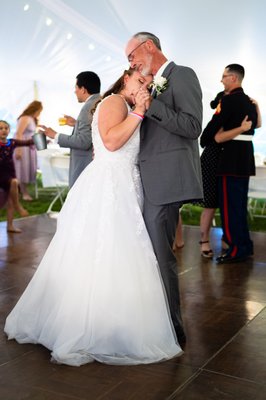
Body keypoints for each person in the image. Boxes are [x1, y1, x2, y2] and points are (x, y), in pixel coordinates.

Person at [4, 68, 183, 366]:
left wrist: (140, 110)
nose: (144, 88)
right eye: (140, 81)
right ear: (126, 78)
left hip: (125, 182)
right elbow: (112, 142)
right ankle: (86, 326)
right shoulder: (114, 101)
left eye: (149, 85)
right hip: (109, 186)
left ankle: (112, 321)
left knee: (120, 255)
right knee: (102, 250)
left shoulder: (125, 105)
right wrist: (139, 111)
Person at [125, 32, 203, 343]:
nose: (131, 63)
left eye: (132, 56)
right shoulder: (150, 83)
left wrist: (151, 103)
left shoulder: (181, 74)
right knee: (148, 254)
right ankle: (153, 321)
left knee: (159, 255)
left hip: (167, 181)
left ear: (149, 46)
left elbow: (192, 126)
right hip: (148, 179)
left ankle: (172, 329)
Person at [199, 64, 259, 264]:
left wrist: (205, 139)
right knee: (239, 207)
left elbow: (213, 130)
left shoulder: (229, 101)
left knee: (229, 208)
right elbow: (257, 124)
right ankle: (244, 245)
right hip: (244, 160)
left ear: (233, 78)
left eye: (224, 76)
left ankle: (236, 249)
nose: (221, 80)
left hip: (230, 159)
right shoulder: (250, 102)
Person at [40, 71, 101, 188]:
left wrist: (55, 135)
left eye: (76, 87)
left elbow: (83, 142)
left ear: (83, 89)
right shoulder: (98, 101)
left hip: (85, 164)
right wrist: (76, 124)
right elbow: (94, 129)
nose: (75, 91)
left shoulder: (87, 108)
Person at [0, 120, 33, 233]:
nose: (4, 130)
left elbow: (27, 142)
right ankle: (18, 206)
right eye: (0, 128)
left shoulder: (12, 143)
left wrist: (40, 138)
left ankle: (10, 226)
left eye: (6, 128)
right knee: (15, 182)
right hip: (1, 176)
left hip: (10, 173)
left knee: (10, 199)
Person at [13, 100, 43, 201]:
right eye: (39, 111)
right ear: (35, 109)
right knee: (22, 169)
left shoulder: (31, 119)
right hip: (23, 146)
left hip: (29, 147)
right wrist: (19, 149)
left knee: (27, 169)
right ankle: (24, 193)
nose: (39, 113)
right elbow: (19, 134)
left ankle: (22, 191)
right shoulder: (25, 118)